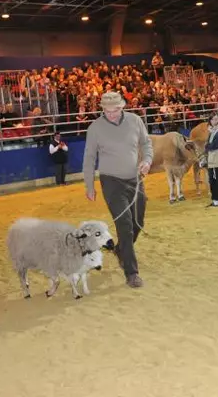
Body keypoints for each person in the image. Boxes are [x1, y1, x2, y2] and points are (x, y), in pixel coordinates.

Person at [83, 92, 153, 289]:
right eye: (107, 111)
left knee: (138, 223)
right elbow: (89, 158)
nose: (111, 114)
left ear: (122, 107)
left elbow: (146, 144)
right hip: (111, 182)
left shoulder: (135, 121)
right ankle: (131, 272)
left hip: (135, 179)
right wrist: (89, 185)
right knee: (125, 226)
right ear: (102, 109)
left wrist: (147, 161)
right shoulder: (95, 128)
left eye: (115, 110)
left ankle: (122, 249)